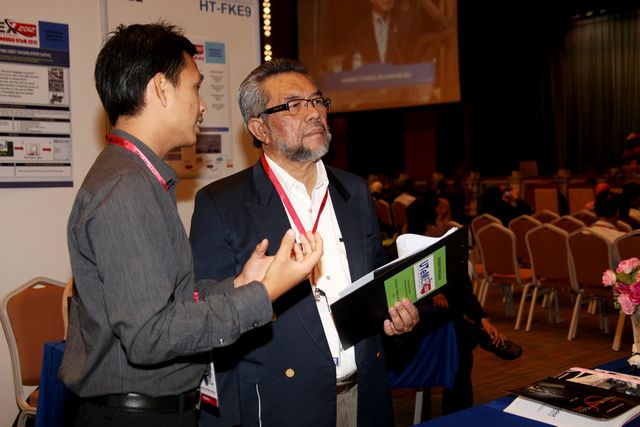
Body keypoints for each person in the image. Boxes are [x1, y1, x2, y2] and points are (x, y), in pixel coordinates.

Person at [59, 24, 323, 427]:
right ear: (161, 88)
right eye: (195, 87)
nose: (202, 106)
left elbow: (166, 302)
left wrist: (240, 284)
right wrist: (265, 293)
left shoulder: (135, 176)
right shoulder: (126, 187)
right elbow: (149, 336)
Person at [190, 58, 419, 427]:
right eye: (294, 105)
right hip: (282, 402)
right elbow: (203, 304)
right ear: (259, 127)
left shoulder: (353, 190)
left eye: (317, 101)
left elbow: (375, 279)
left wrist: (397, 316)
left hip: (366, 392)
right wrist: (251, 287)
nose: (314, 113)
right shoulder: (221, 204)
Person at [405, 193, 522, 414]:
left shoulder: (448, 248)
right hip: (414, 329)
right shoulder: (404, 252)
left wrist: (484, 319)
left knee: (456, 336)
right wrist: (429, 297)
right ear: (429, 226)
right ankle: (480, 336)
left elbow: (463, 291)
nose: (448, 221)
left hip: (446, 324)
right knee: (455, 334)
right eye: (443, 217)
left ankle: (480, 332)